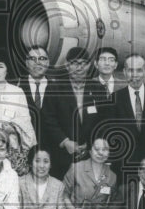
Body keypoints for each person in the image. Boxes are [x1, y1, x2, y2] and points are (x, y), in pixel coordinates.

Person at [41, 47, 106, 179]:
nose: (79, 67)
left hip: (90, 154)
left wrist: (90, 144)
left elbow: (103, 120)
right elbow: (48, 119)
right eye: (75, 63)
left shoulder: (98, 88)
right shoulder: (54, 88)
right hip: (62, 155)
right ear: (67, 65)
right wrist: (65, 142)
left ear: (88, 65)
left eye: (83, 63)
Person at [0, 49, 36, 173]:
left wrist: (12, 128)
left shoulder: (17, 91)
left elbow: (26, 122)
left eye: (1, 67)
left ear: (7, 70)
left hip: (11, 149)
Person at [110, 54, 145, 173]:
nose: (135, 75)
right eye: (130, 70)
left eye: (139, 70)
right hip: (124, 164)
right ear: (124, 72)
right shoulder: (114, 99)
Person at [19, 44, 57, 154]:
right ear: (26, 62)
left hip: (53, 151)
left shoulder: (57, 87)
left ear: (48, 62)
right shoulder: (17, 86)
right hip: (25, 150)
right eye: (32, 59)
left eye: (42, 59)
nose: (38, 62)